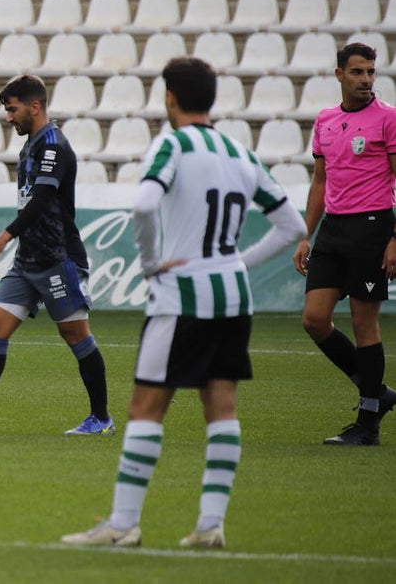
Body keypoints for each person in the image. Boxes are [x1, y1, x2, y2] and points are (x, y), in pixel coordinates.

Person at [62, 56, 306, 549]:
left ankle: (123, 523)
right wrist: (238, 262)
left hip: (181, 298)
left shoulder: (173, 144)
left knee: (146, 407)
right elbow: (294, 228)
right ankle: (210, 523)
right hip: (234, 300)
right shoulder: (239, 151)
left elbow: (146, 204)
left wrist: (152, 262)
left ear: (169, 96)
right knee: (222, 408)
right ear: (212, 98)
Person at [0, 74, 114, 436]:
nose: (8, 118)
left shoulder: (53, 146)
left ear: (35, 106)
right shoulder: (30, 145)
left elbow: (43, 202)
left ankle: (101, 418)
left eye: (12, 110)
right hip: (28, 260)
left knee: (76, 336)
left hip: (58, 259)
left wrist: (2, 238)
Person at [291, 42, 396, 446]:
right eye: (357, 72)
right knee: (314, 320)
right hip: (333, 230)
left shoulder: (387, 119)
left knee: (364, 323)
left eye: (371, 72)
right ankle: (378, 393)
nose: (366, 80)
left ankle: (367, 423)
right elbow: (320, 181)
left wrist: (394, 238)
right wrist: (306, 233)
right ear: (339, 75)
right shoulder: (326, 121)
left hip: (372, 227)